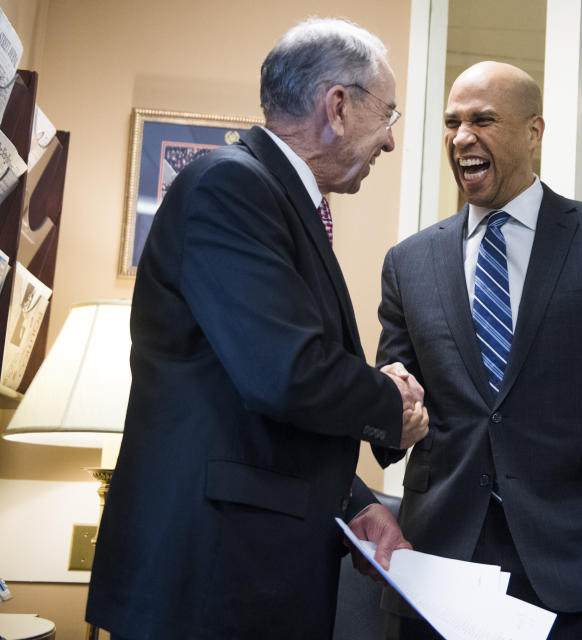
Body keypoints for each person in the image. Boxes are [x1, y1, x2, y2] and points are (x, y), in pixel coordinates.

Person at [85, 18, 429, 640]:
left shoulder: (273, 196)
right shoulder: (230, 186)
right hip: (209, 588)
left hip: (240, 579)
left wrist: (359, 506)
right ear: (339, 107)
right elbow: (286, 373)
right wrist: (391, 402)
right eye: (390, 116)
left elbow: (253, 424)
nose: (390, 142)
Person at [374, 61, 582, 639]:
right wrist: (393, 412)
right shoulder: (408, 262)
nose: (462, 138)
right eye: (452, 122)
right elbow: (394, 411)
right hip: (441, 573)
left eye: (483, 120)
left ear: (534, 131)